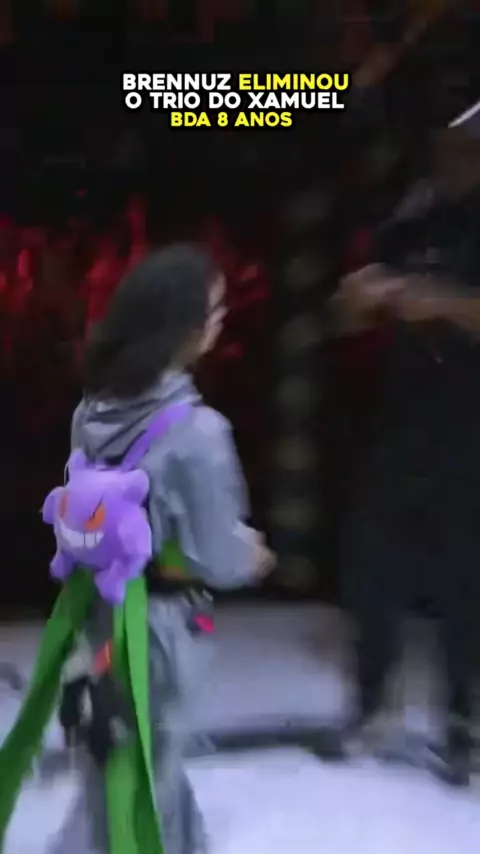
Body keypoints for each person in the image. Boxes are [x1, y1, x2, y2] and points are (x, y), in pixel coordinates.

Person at [0, 244, 274, 853]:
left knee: (119, 753)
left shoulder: (91, 412)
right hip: (164, 629)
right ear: (183, 328)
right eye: (215, 310)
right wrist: (252, 554)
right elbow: (218, 558)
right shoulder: (200, 433)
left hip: (97, 611)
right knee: (147, 767)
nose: (221, 320)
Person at [332, 114, 480, 786]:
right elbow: (349, 309)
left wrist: (441, 303)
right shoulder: (414, 217)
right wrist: (359, 298)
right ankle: (370, 704)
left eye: (463, 152)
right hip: (403, 421)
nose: (449, 163)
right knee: (373, 566)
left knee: (463, 578)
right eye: (443, 150)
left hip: (470, 427)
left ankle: (463, 720)